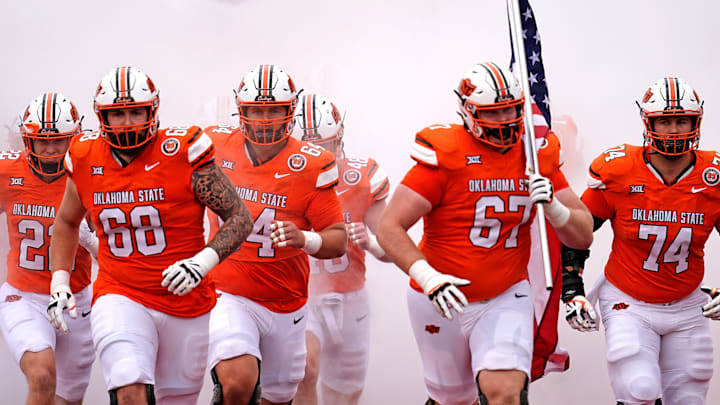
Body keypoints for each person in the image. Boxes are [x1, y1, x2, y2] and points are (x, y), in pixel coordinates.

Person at [376, 62, 593, 405]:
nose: (505, 120)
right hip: (438, 297)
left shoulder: (537, 155)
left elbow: (582, 236)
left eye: (510, 109)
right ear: (468, 112)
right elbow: (390, 227)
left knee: (504, 394)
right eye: (493, 113)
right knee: (454, 400)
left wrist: (554, 206)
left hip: (506, 295)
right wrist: (428, 277)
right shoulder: (446, 153)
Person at [46, 66, 253, 405]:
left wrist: (201, 263)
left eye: (135, 111)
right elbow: (67, 222)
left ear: (152, 110)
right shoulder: (83, 156)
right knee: (129, 389)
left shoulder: (182, 151)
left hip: (187, 301)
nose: (127, 121)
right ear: (102, 116)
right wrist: (59, 283)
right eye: (118, 114)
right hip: (120, 293)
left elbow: (239, 217)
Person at [562, 76, 718, 405]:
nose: (674, 130)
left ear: (697, 121)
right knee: (639, 389)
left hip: (688, 303)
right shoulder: (619, 171)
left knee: (690, 399)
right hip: (628, 300)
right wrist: (573, 290)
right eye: (664, 121)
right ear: (649, 123)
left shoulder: (712, 177)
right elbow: (578, 233)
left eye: (681, 121)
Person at [204, 65, 347, 405]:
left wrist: (305, 238)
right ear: (241, 111)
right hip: (228, 294)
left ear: (289, 112)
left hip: (286, 303)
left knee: (277, 397)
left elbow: (337, 239)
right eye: (257, 110)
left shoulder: (312, 164)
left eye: (274, 110)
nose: (265, 119)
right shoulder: (214, 145)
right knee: (237, 382)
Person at [291, 93, 391, 405]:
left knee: (344, 396)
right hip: (302, 297)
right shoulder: (278, 181)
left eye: (324, 147)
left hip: (350, 299)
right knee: (304, 369)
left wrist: (370, 243)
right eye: (309, 150)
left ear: (339, 138)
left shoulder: (361, 179)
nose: (318, 157)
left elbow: (393, 248)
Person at [0, 92, 96, 405]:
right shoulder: (8, 172)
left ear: (75, 138)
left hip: (76, 298)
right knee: (41, 376)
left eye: (59, 140)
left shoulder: (92, 174)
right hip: (23, 296)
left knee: (67, 399)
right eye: (42, 141)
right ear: (27, 141)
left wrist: (89, 238)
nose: (51, 149)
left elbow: (114, 251)